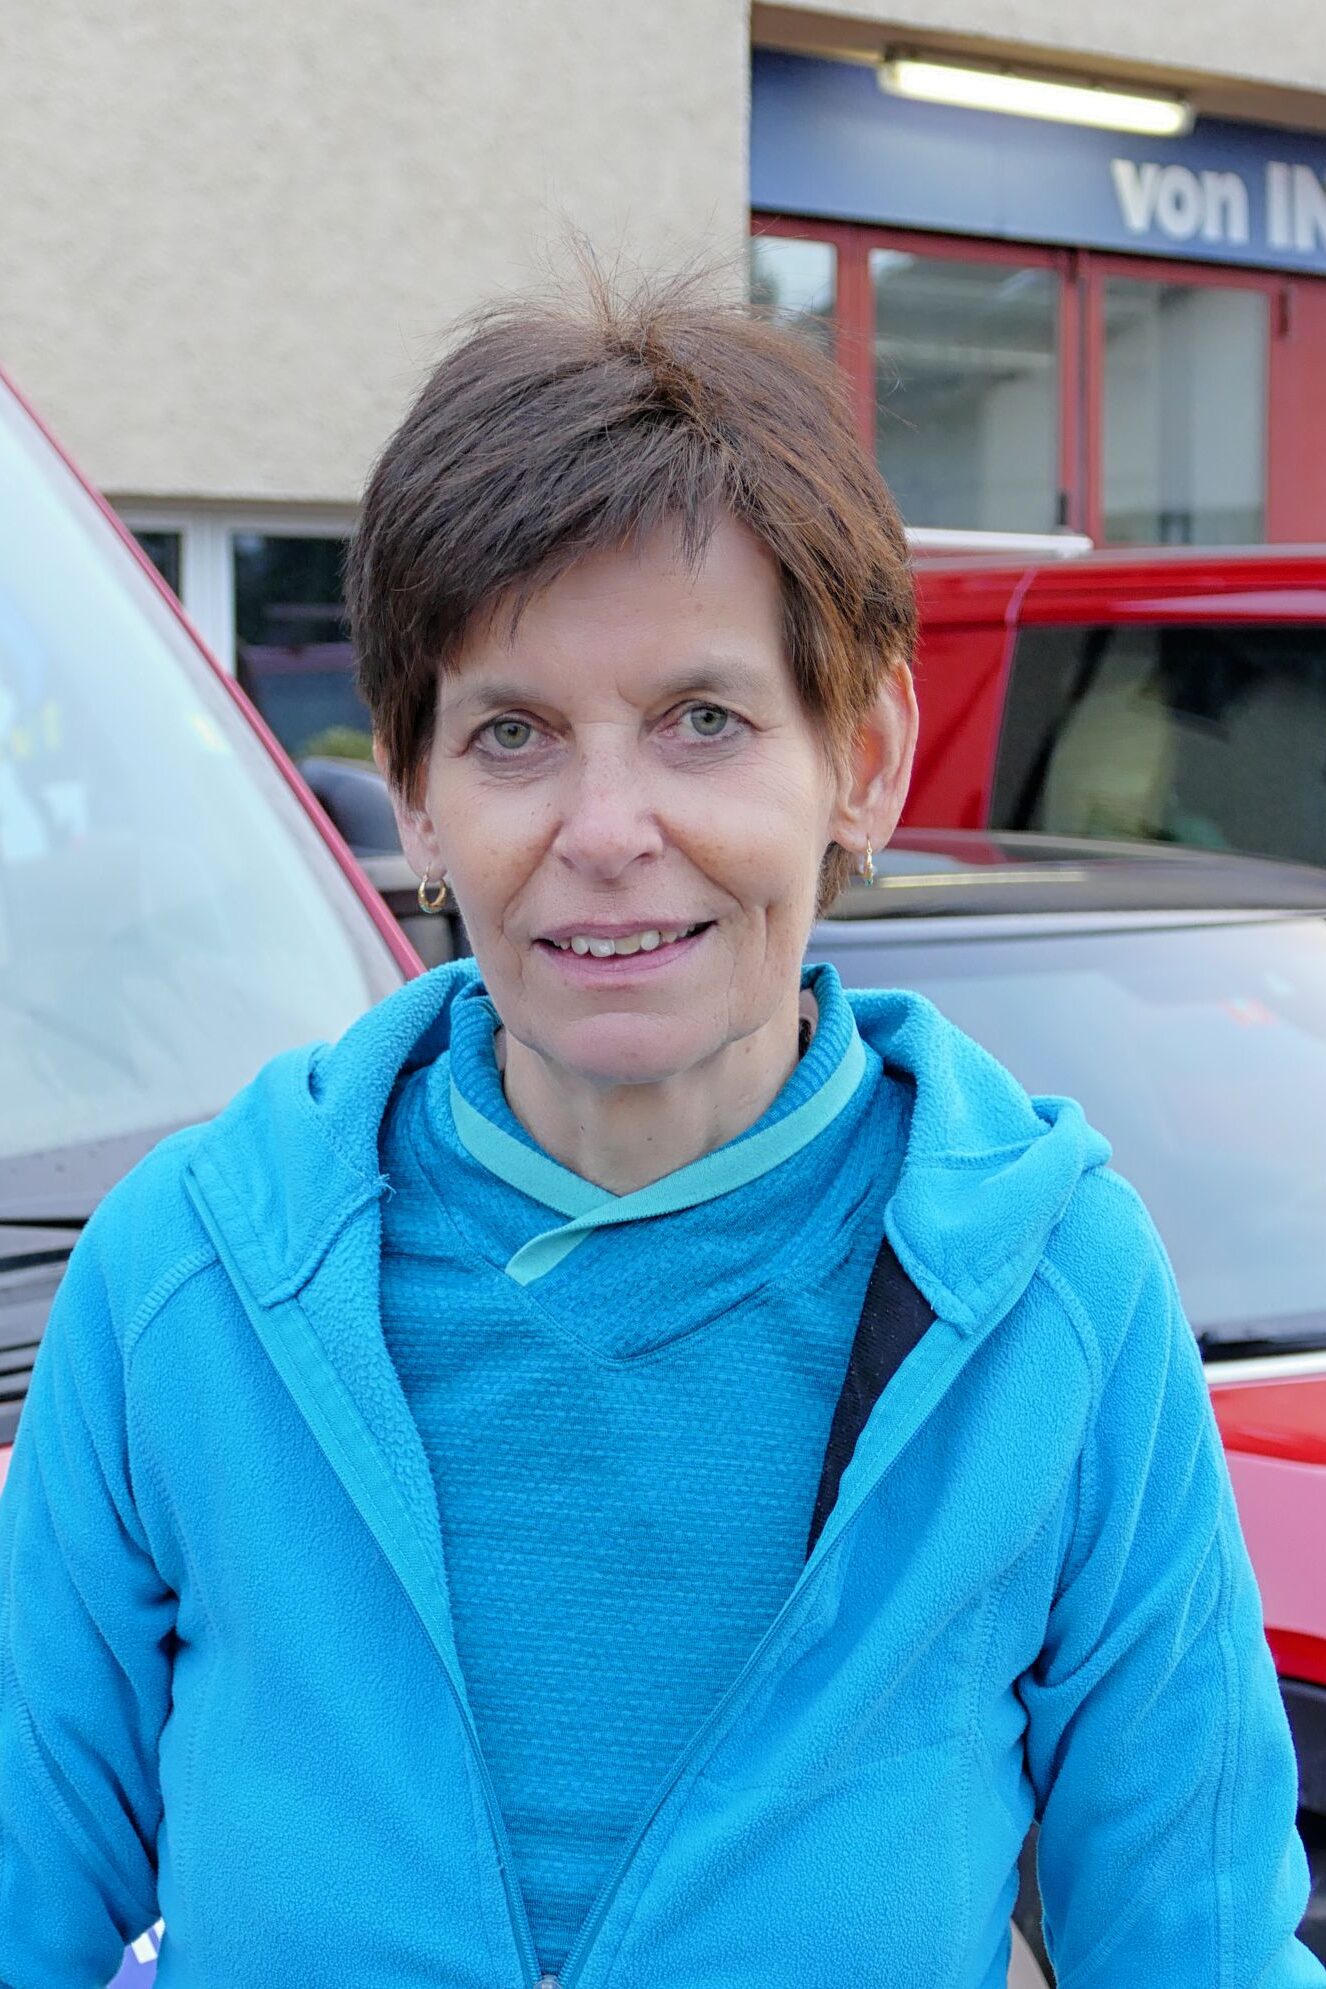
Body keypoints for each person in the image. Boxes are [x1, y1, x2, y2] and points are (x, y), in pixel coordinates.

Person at [2, 273, 1321, 1989]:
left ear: (862, 758)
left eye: (704, 720)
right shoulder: (184, 1279)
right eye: (513, 734)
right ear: (414, 792)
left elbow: (1197, 1949)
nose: (607, 828)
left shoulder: (1053, 1294)